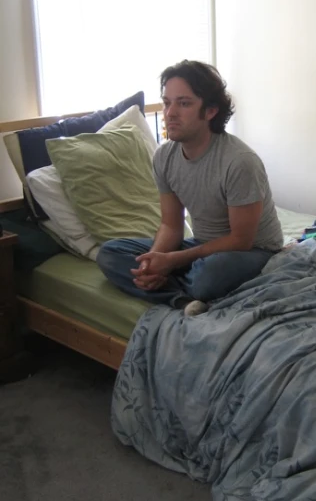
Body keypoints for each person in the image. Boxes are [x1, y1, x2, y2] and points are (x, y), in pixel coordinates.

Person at [96, 59, 283, 316]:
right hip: (204, 246)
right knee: (110, 253)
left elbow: (241, 239)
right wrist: (152, 263)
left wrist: (172, 261)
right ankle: (181, 300)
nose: (170, 113)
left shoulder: (239, 161)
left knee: (208, 276)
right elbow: (171, 226)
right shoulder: (164, 157)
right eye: (166, 102)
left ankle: (180, 287)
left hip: (253, 252)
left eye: (183, 103)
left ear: (210, 111)